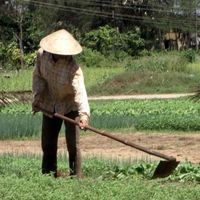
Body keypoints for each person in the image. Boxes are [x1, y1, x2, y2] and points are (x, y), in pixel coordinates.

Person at [32, 29, 90, 178]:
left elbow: (80, 92)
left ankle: (75, 176)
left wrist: (83, 115)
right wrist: (37, 99)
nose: (65, 55)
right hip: (50, 103)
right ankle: (48, 174)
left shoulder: (73, 67)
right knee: (48, 143)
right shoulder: (41, 56)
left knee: (73, 145)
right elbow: (38, 76)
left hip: (70, 106)